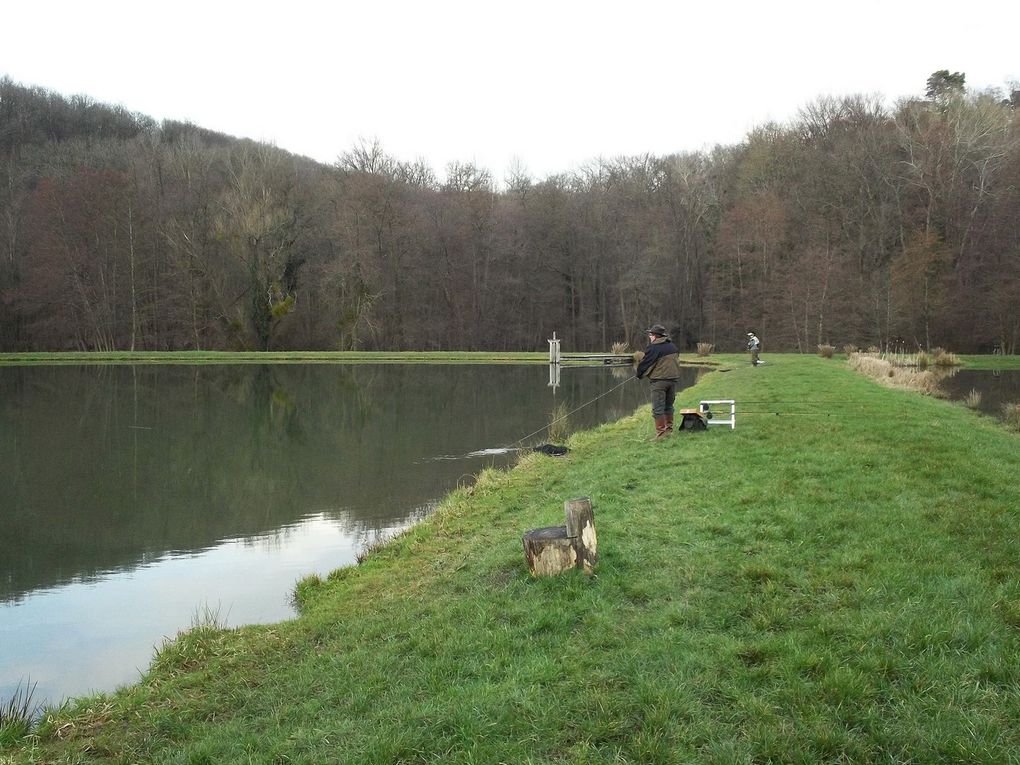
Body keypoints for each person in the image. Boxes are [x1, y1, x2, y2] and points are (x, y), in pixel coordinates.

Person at [636, 324, 681, 439]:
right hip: (673, 380)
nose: (650, 337)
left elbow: (645, 363)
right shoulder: (672, 346)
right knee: (669, 406)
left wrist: (638, 375)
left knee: (658, 408)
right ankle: (669, 430)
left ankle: (661, 435)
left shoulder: (654, 348)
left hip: (659, 382)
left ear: (655, 336)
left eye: (650, 335)